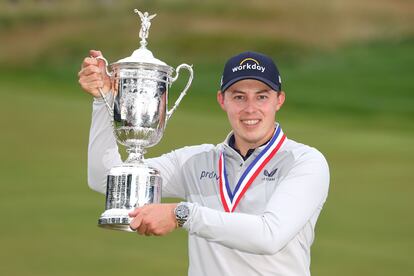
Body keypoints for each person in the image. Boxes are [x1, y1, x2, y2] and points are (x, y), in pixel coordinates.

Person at [78, 50, 330, 276]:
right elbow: (105, 180)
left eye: (261, 97)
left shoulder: (305, 162)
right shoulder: (195, 161)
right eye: (239, 97)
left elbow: (270, 236)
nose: (250, 108)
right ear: (222, 100)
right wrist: (104, 100)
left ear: (279, 100)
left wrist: (182, 214)